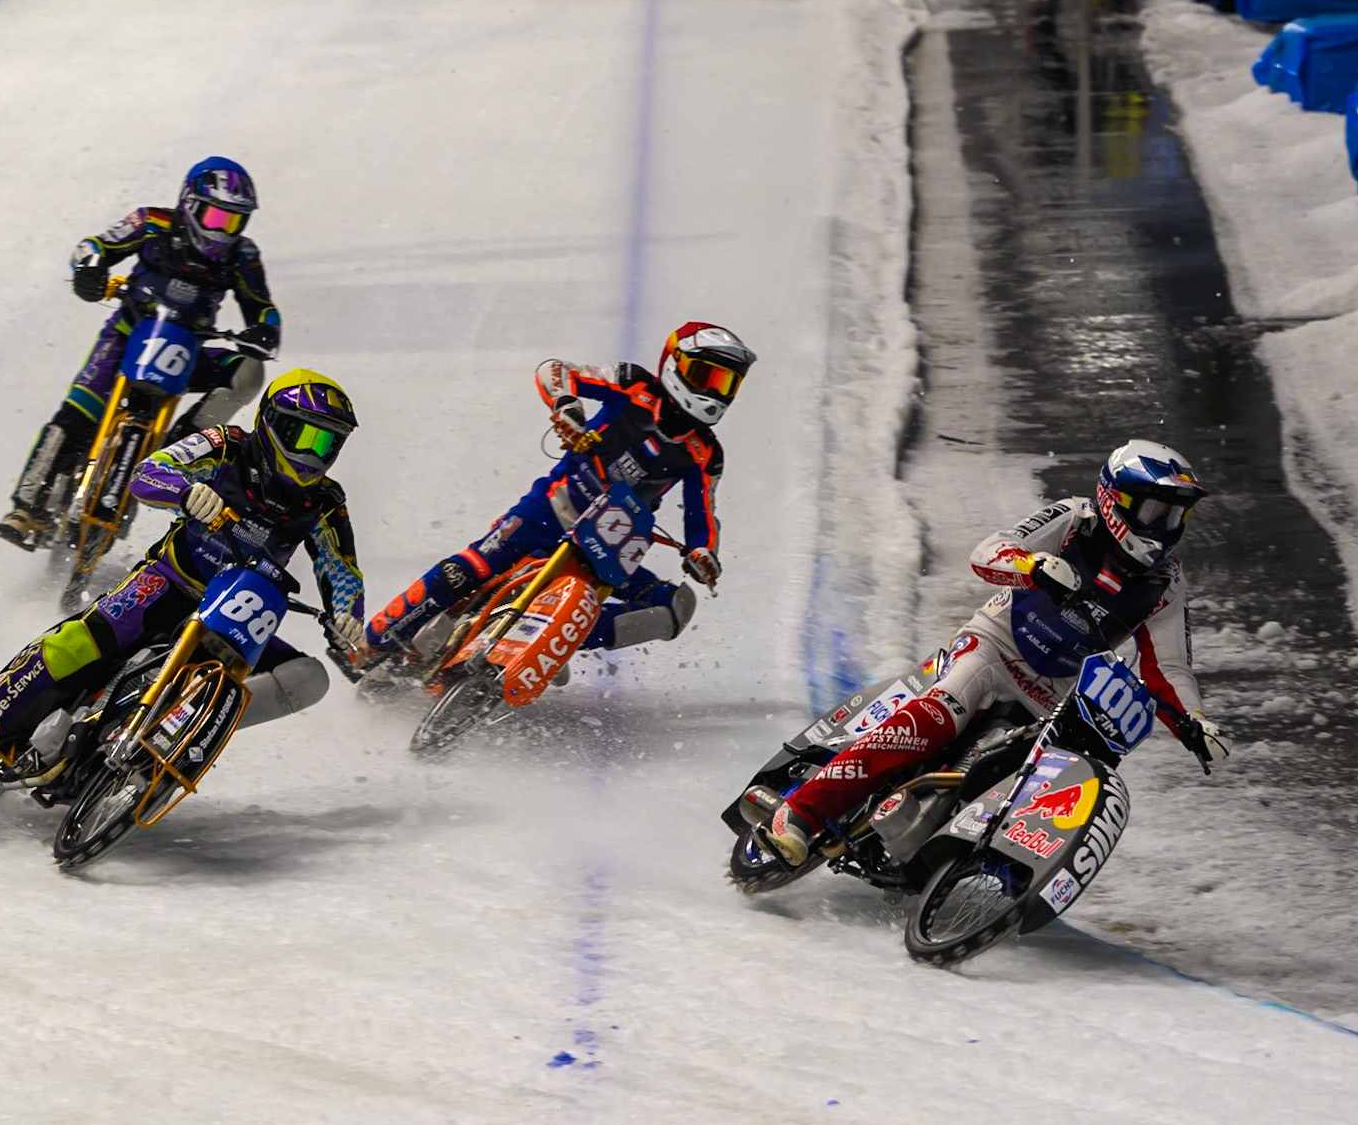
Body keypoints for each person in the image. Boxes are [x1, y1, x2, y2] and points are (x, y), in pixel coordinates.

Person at [759, 439, 1233, 866]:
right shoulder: (1072, 519)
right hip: (995, 646)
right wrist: (1033, 566)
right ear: (1116, 501)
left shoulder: (1166, 586)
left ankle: (954, 863)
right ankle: (799, 812)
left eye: (1176, 515)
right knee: (934, 721)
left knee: (1027, 782)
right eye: (1156, 510)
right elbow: (989, 550)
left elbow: (1167, 668)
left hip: (1057, 695)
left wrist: (1194, 719)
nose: (1166, 526)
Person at [0, 369, 368, 792]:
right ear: (269, 420)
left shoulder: (327, 501)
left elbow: (341, 569)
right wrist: (184, 492)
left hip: (239, 617)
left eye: (327, 443)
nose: (312, 455)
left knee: (310, 677)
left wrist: (347, 616)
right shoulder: (226, 443)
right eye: (303, 436)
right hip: (169, 582)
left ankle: (192, 733)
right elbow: (147, 472)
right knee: (79, 641)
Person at [345, 322, 757, 675]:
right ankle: (375, 642)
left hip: (613, 545)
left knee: (674, 607)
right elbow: (556, 370)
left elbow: (703, 512)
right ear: (673, 364)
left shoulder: (706, 453)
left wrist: (703, 552)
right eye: (705, 376)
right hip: (552, 511)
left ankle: (545, 647)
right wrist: (565, 406)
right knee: (468, 569)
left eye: (726, 383)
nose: (714, 393)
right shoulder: (632, 384)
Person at [0, 156, 283, 550]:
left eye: (234, 221)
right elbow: (93, 246)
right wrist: (90, 269)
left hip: (190, 349)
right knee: (79, 411)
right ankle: (28, 506)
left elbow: (262, 306)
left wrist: (265, 332)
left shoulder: (243, 256)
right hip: (127, 336)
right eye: (217, 218)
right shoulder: (150, 222)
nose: (224, 232)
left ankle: (189, 439)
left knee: (248, 372)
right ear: (190, 204)